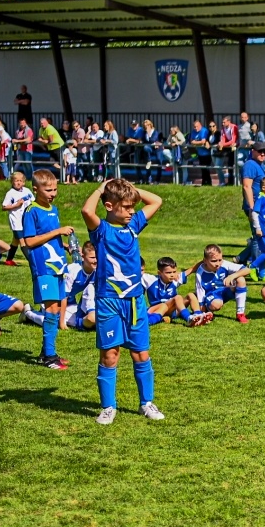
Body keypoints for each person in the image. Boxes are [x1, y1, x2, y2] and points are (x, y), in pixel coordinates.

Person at [82, 177, 166, 424]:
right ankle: (108, 407)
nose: (131, 211)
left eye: (133, 207)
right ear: (109, 206)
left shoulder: (134, 225)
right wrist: (102, 188)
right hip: (109, 301)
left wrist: (129, 189)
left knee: (141, 354)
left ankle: (146, 403)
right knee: (110, 354)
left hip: (135, 302)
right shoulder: (101, 230)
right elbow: (87, 210)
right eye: (127, 207)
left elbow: (156, 201)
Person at [20, 169, 75, 370]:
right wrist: (58, 231)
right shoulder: (31, 211)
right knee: (51, 309)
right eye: (48, 190)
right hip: (43, 267)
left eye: (55, 189)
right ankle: (49, 357)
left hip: (58, 264)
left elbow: (49, 237)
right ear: (35, 189)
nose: (53, 194)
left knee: (57, 308)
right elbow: (29, 241)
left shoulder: (53, 209)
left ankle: (47, 352)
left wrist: (65, 246)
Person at [191, 244, 251, 323]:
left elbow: (247, 270)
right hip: (211, 295)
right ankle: (208, 310)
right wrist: (202, 309)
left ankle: (240, 314)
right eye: (214, 261)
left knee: (241, 280)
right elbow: (200, 291)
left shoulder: (224, 264)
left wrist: (232, 276)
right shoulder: (200, 272)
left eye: (220, 260)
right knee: (216, 304)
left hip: (224, 290)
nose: (218, 264)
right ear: (205, 260)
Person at [145, 256, 207, 326]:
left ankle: (198, 315)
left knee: (191, 295)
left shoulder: (175, 279)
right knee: (177, 297)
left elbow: (192, 269)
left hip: (174, 311)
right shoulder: (151, 280)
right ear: (159, 273)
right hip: (159, 309)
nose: (172, 275)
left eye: (174, 272)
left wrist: (206, 260)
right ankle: (188, 318)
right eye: (168, 272)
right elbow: (139, 274)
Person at [0, 170, 34, 266]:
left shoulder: (27, 191)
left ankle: (9, 260)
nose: (18, 183)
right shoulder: (10, 193)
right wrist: (16, 205)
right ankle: (33, 262)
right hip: (16, 220)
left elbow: (33, 202)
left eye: (20, 181)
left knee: (15, 241)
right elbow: (4, 207)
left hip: (26, 220)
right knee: (23, 241)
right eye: (16, 181)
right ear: (12, 182)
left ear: (24, 182)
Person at [62, 240, 97, 332]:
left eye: (97, 257)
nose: (95, 260)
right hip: (55, 300)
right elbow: (63, 296)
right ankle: (28, 313)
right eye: (92, 257)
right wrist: (62, 322)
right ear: (83, 256)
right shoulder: (73, 271)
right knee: (52, 319)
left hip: (70, 301)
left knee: (81, 319)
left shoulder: (96, 270)